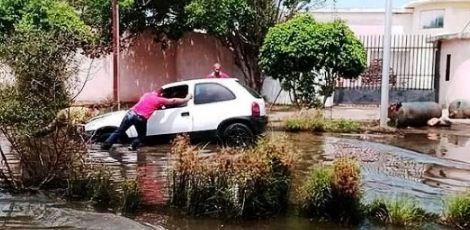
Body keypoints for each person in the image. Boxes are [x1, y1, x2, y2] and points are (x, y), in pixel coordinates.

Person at [101, 90, 192, 151]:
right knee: (141, 137)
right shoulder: (159, 99)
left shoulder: (146, 95)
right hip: (140, 118)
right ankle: (132, 146)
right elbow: (173, 101)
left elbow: (147, 103)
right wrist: (186, 99)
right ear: (161, 95)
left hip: (130, 113)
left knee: (119, 131)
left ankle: (106, 145)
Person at [34, 104, 100, 137]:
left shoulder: (85, 113)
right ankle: (35, 134)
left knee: (51, 129)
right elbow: (73, 123)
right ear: (91, 110)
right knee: (50, 128)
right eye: (93, 114)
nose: (93, 116)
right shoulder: (82, 111)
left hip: (66, 116)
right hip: (63, 115)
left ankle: (37, 135)